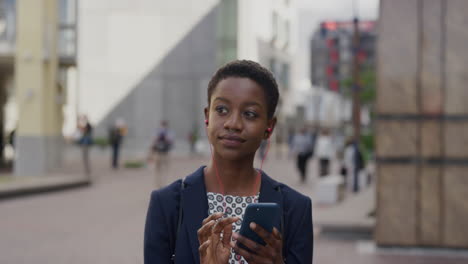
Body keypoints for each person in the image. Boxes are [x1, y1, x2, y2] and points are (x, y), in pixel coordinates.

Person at [144, 60, 313, 263]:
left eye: (249, 114)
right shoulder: (168, 204)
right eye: (222, 110)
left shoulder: (295, 209)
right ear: (207, 117)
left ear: (269, 126)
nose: (233, 123)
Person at [150, 120, 174, 186]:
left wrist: (165, 137)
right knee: (157, 169)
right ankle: (158, 183)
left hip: (166, 152)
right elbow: (154, 140)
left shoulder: (169, 132)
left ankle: (165, 183)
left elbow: (171, 141)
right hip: (158, 152)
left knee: (166, 168)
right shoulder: (157, 131)